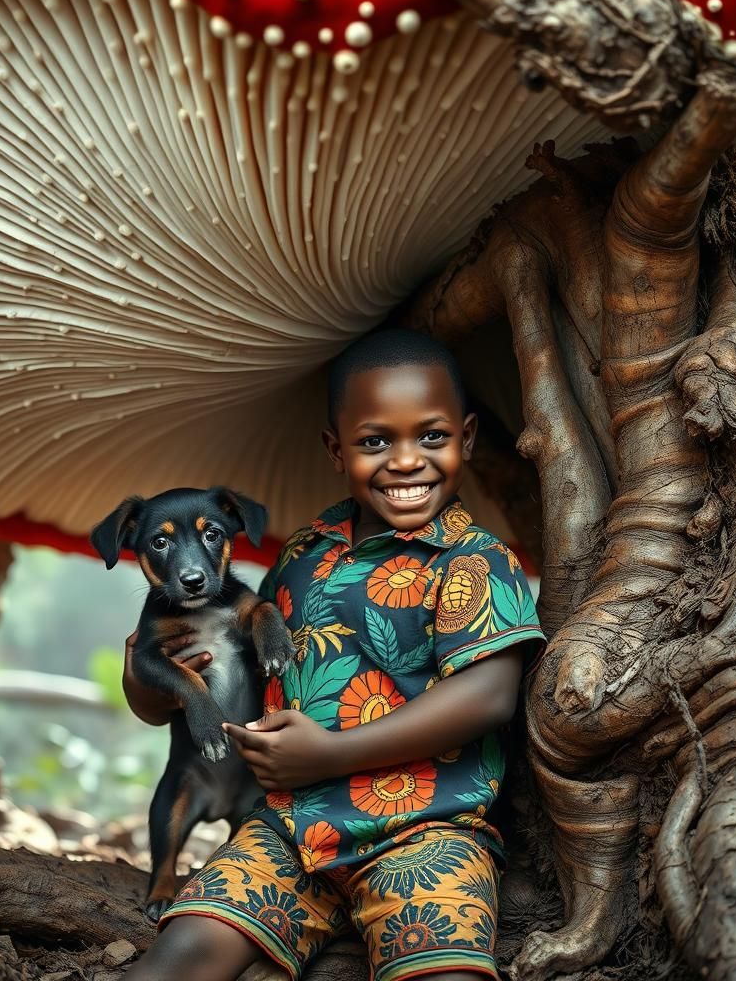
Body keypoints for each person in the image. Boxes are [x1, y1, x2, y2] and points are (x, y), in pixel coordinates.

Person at [121, 329, 546, 981]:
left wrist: (331, 753)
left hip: (427, 832)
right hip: (288, 829)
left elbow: (488, 696)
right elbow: (222, 680)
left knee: (442, 972)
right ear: (335, 448)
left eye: (431, 436)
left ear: (467, 437)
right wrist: (146, 679)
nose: (406, 461)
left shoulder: (476, 559)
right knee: (180, 954)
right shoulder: (301, 556)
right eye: (376, 441)